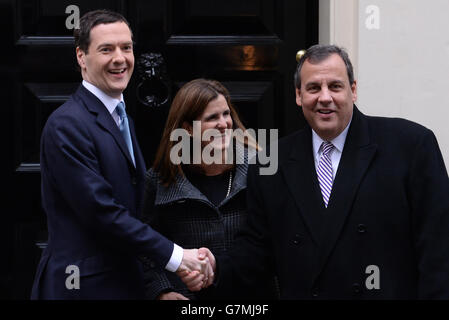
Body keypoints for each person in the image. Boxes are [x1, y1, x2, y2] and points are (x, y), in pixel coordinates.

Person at [185, 44, 449, 299]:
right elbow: (256, 252)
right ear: (299, 95)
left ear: (353, 90)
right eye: (313, 88)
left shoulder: (410, 145)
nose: (325, 97)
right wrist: (215, 267)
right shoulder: (270, 161)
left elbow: (438, 248)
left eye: (335, 86)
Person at [31, 9, 211, 300]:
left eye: (126, 48)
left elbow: (134, 211)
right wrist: (177, 258)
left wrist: (157, 289)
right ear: (81, 56)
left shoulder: (120, 116)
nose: (120, 58)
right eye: (106, 49)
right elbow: (102, 213)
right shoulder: (68, 125)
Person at [141, 79, 278, 300]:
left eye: (226, 114)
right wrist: (162, 291)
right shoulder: (159, 181)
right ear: (187, 129)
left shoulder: (260, 170)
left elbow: (276, 243)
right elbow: (145, 249)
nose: (224, 124)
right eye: (212, 118)